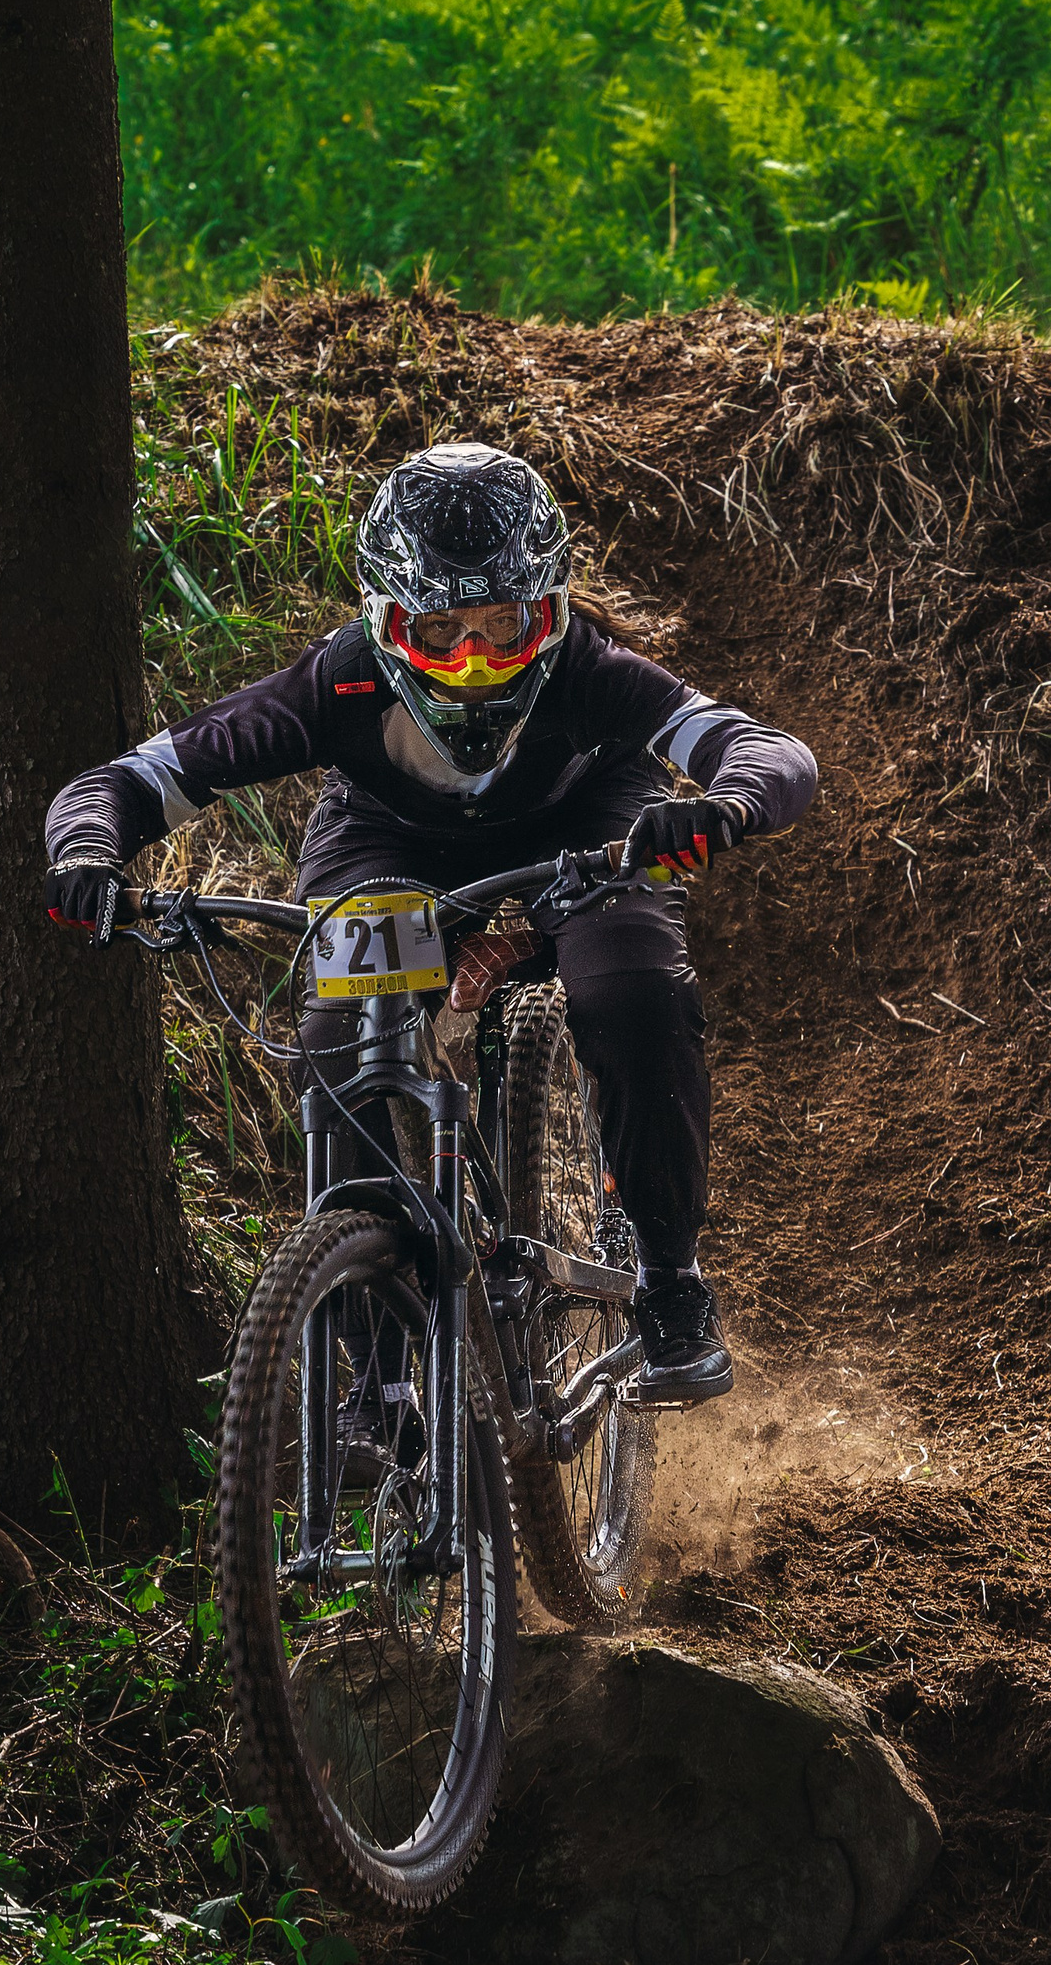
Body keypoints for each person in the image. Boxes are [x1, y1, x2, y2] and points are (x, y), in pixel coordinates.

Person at [43, 441, 818, 1403]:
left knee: (632, 994)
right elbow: (130, 780)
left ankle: (669, 1280)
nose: (476, 662)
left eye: (504, 626)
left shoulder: (590, 671)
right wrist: (88, 854)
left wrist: (723, 805)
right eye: (441, 632)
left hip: (587, 827)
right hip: (388, 837)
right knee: (340, 1043)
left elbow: (766, 751)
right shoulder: (336, 682)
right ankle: (378, 1373)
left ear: (552, 611)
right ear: (384, 622)